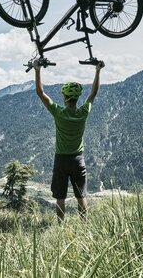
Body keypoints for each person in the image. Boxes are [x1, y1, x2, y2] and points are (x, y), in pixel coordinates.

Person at [33, 59, 104, 222]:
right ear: (78, 97)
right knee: (81, 196)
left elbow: (40, 92)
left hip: (61, 159)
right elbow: (93, 93)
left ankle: (60, 225)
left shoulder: (59, 112)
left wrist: (37, 70)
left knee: (60, 197)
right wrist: (98, 71)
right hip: (78, 159)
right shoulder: (83, 112)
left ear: (65, 97)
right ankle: (85, 225)